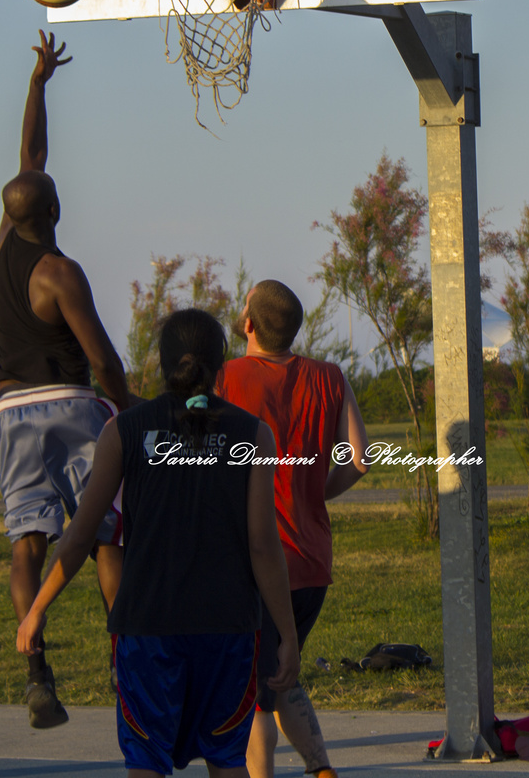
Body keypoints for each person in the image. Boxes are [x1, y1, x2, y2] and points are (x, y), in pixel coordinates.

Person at [17, 308, 300, 778]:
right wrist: (285, 634)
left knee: (146, 760)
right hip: (228, 628)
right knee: (227, 758)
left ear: (162, 362)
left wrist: (38, 607)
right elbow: (263, 545)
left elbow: (83, 530)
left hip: (148, 628)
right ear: (221, 364)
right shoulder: (253, 434)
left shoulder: (123, 430)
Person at [0, 29, 137, 728]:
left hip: (12, 410)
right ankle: (123, 661)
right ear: (54, 212)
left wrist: (38, 84)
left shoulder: (1, 251)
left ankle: (36, 670)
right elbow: (102, 357)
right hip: (75, 406)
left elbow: (30, 161)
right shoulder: (60, 271)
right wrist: (129, 407)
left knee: (28, 540)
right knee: (107, 533)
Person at [213, 281, 370, 778]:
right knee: (281, 674)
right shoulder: (330, 376)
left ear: (248, 324)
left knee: (255, 690)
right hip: (312, 558)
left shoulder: (225, 378)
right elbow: (360, 459)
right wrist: (316, 491)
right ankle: (320, 768)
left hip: (257, 561)